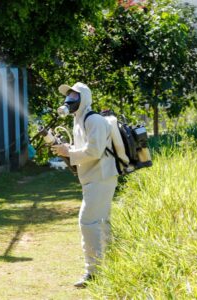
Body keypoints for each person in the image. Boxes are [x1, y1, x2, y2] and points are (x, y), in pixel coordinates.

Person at [51, 82, 118, 288]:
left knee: (87, 221)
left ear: (84, 99)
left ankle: (93, 272)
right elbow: (84, 148)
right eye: (68, 97)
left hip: (101, 177)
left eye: (73, 97)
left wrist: (68, 152)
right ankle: (113, 264)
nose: (68, 101)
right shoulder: (79, 120)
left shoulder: (94, 119)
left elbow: (95, 151)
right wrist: (65, 148)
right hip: (93, 177)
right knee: (101, 222)